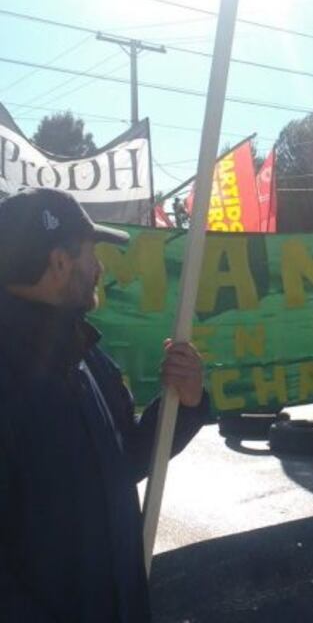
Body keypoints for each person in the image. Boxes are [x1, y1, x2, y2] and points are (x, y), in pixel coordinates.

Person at [0, 188, 209, 622]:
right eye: (92, 253)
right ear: (60, 262)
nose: (100, 268)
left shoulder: (86, 354)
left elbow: (125, 459)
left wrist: (185, 404)